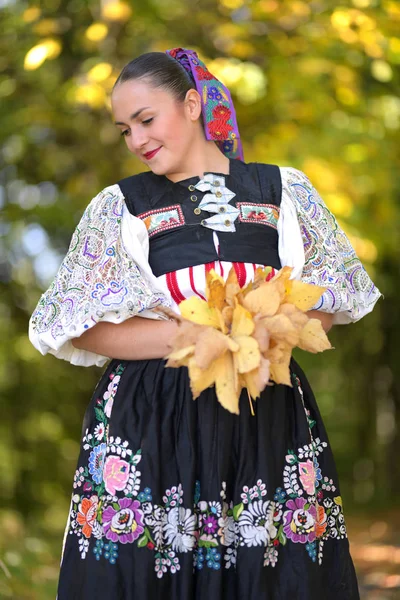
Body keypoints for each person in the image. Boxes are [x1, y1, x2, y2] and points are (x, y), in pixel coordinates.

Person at [29, 47, 381, 599]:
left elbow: (329, 301)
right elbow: (75, 325)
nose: (137, 139)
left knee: (269, 574)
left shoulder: (281, 190)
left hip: (265, 408)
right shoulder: (121, 205)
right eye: (125, 129)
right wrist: (197, 336)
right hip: (152, 415)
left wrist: (267, 328)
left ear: (193, 104)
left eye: (147, 119)